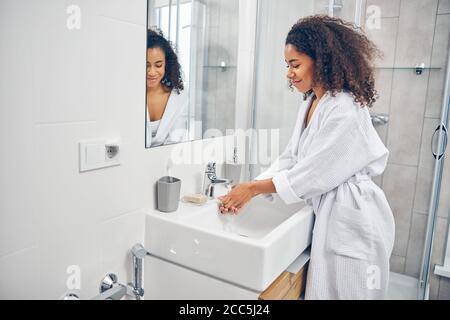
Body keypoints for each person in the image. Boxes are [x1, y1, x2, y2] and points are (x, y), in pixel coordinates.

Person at [218, 15, 395, 300]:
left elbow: (312, 174)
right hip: (332, 213)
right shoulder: (313, 102)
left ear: (322, 61)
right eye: (287, 65)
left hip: (354, 219)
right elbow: (292, 158)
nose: (289, 73)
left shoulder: (344, 108)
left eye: (295, 64)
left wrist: (252, 189)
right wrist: (251, 187)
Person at [146, 29, 189, 148]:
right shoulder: (129, 95)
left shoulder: (179, 97)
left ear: (166, 64)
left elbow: (176, 140)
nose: (152, 72)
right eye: (146, 65)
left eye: (158, 65)